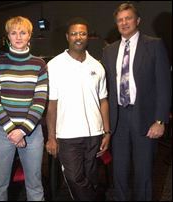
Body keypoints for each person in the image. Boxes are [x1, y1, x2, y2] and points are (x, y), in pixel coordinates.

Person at [101, 3, 171, 201]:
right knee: (119, 172)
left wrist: (160, 120)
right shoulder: (109, 51)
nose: (124, 23)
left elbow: (164, 86)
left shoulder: (155, 45)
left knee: (144, 172)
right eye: (120, 20)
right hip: (118, 118)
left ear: (137, 20)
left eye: (128, 18)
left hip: (146, 118)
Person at [45, 17, 111, 201]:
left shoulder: (97, 67)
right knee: (74, 178)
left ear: (88, 37)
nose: (78, 37)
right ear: (67, 37)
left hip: (94, 134)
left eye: (82, 33)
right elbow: (52, 104)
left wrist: (107, 132)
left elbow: (103, 100)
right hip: (67, 135)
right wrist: (51, 137)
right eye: (74, 33)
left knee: (91, 177)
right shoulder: (54, 65)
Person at [0, 16, 48, 201]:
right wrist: (12, 130)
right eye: (14, 33)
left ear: (29, 36)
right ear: (8, 37)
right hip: (2, 131)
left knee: (35, 186)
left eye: (23, 32)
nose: (18, 36)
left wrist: (22, 131)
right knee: (0, 186)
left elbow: (40, 102)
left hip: (32, 132)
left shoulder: (39, 64)